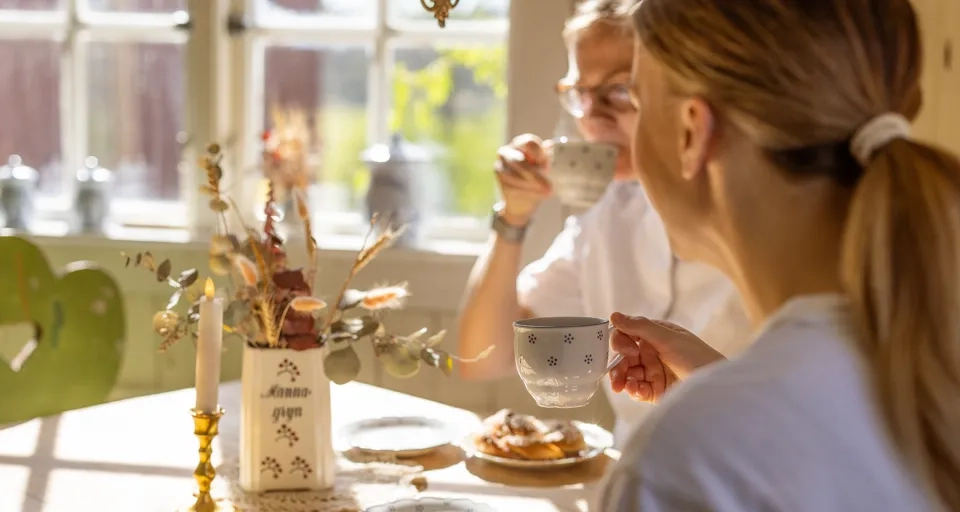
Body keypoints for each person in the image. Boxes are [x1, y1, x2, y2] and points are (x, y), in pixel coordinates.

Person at [601, 0, 960, 510]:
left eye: (636, 105)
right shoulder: (926, 370)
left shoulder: (686, 464)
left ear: (690, 133)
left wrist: (724, 414)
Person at [456, 0, 751, 445]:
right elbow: (482, 356)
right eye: (580, 93)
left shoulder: (760, 225)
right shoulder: (604, 213)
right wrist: (513, 219)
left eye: (618, 91)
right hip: (637, 474)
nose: (592, 115)